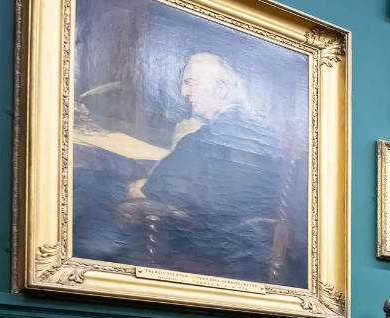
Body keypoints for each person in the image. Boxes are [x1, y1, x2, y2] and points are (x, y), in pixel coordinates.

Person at [118, 53, 288, 284]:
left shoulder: (217, 136)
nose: (184, 93)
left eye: (191, 83)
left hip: (219, 243)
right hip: (234, 238)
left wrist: (145, 189)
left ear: (221, 88)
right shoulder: (250, 129)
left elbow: (215, 197)